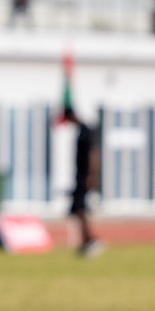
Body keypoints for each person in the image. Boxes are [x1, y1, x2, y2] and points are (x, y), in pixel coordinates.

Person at [64, 108, 103, 257]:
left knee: (81, 209)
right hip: (80, 175)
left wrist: (91, 175)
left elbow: (93, 154)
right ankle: (85, 240)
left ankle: (90, 240)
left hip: (84, 175)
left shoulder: (86, 131)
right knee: (78, 209)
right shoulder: (81, 131)